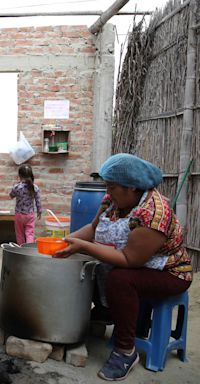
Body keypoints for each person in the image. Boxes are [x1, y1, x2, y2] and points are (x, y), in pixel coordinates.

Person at [55, 153, 192, 381]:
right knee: (98, 268)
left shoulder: (153, 213)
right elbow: (92, 229)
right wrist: (65, 242)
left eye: (111, 187)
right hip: (141, 263)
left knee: (119, 278)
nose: (107, 193)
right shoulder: (112, 201)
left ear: (130, 188)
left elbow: (130, 260)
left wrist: (85, 248)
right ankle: (107, 312)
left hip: (170, 272)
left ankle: (126, 351)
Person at [10, 164, 42, 245]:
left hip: (19, 215)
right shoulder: (35, 187)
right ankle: (28, 249)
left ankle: (21, 249)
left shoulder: (17, 187)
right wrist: (39, 211)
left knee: (19, 233)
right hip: (30, 215)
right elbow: (38, 201)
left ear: (19, 175)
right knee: (30, 233)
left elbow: (11, 196)